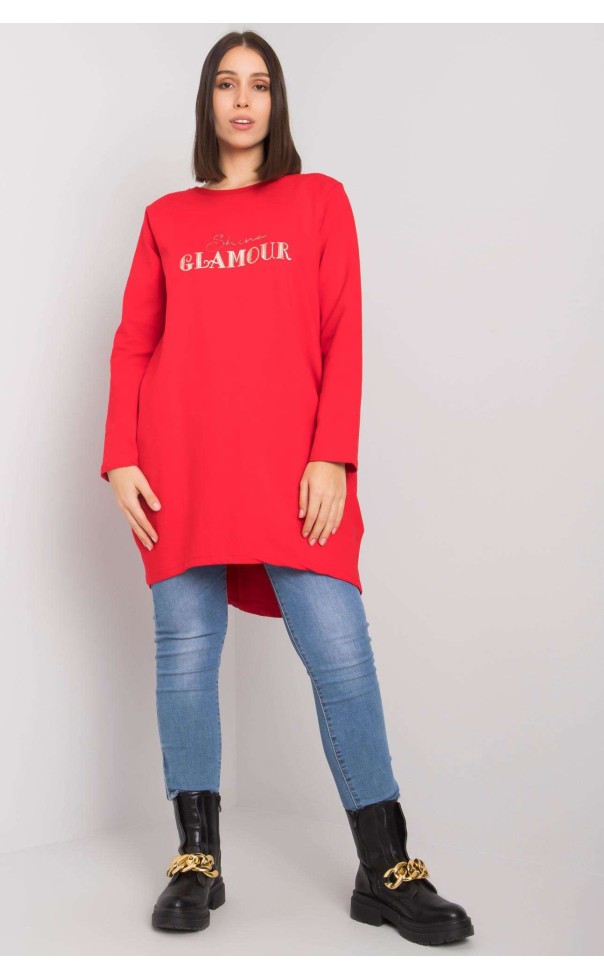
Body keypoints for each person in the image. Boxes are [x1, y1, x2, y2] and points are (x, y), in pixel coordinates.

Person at [99, 30, 474, 947]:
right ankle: (197, 859)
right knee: (186, 650)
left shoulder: (318, 201)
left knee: (339, 649)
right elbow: (134, 341)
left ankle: (386, 867)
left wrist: (331, 454)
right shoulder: (166, 218)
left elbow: (344, 331)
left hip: (293, 466)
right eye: (227, 84)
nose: (242, 100)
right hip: (179, 465)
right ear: (207, 102)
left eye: (259, 84)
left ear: (276, 102)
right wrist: (121, 455)